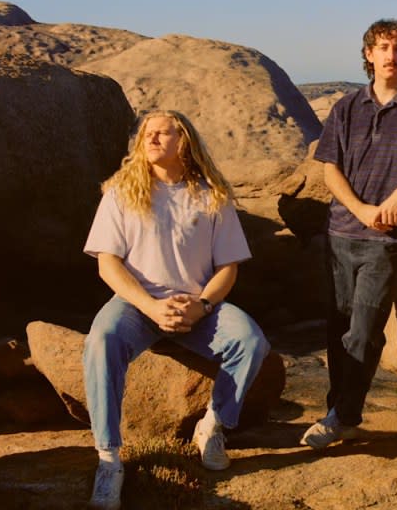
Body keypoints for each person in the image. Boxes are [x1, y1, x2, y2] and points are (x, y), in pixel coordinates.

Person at [82, 110, 270, 509]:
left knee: (250, 340)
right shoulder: (121, 191)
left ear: (182, 141)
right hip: (137, 303)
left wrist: (202, 306)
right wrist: (149, 305)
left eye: (162, 133)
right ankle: (109, 459)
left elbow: (228, 268)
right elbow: (107, 263)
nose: (151, 139)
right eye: (147, 133)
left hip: (196, 305)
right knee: (101, 341)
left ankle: (213, 425)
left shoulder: (211, 194)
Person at [300, 19, 397, 450]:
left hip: (386, 240)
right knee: (339, 328)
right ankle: (341, 411)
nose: (391, 55)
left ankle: (341, 415)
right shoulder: (347, 107)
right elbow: (330, 168)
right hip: (341, 233)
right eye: (383, 47)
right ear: (368, 54)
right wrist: (361, 209)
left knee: (365, 330)